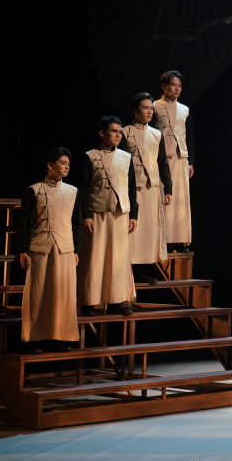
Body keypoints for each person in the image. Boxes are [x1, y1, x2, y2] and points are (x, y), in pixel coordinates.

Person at [15, 146, 84, 353]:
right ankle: (34, 339)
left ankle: (62, 337)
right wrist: (22, 250)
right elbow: (23, 223)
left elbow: (77, 224)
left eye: (68, 164)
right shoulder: (33, 190)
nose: (67, 167)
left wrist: (76, 250)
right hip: (40, 247)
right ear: (50, 165)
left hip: (64, 248)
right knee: (38, 293)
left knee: (63, 294)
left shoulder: (73, 192)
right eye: (63, 163)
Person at [77, 116, 139, 317]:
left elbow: (131, 187)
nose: (118, 135)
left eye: (120, 132)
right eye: (114, 131)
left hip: (120, 213)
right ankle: (88, 302)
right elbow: (83, 188)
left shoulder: (126, 157)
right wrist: (86, 215)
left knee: (117, 258)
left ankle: (116, 301)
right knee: (94, 257)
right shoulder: (90, 156)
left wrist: (134, 214)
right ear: (102, 133)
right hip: (97, 212)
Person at [122, 93, 172, 284]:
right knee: (132, 229)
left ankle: (141, 270)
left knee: (147, 230)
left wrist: (168, 187)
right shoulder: (124, 132)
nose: (150, 111)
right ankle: (127, 269)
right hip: (132, 187)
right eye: (145, 108)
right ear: (135, 110)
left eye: (151, 108)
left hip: (152, 187)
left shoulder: (156, 134)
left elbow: (162, 162)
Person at [151, 70, 193, 252]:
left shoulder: (185, 109)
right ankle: (164, 239)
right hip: (162, 159)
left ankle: (181, 239)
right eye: (173, 85)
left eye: (179, 86)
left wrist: (191, 161)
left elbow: (189, 136)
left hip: (180, 158)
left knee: (181, 199)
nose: (177, 89)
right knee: (165, 197)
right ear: (164, 86)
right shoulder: (154, 106)